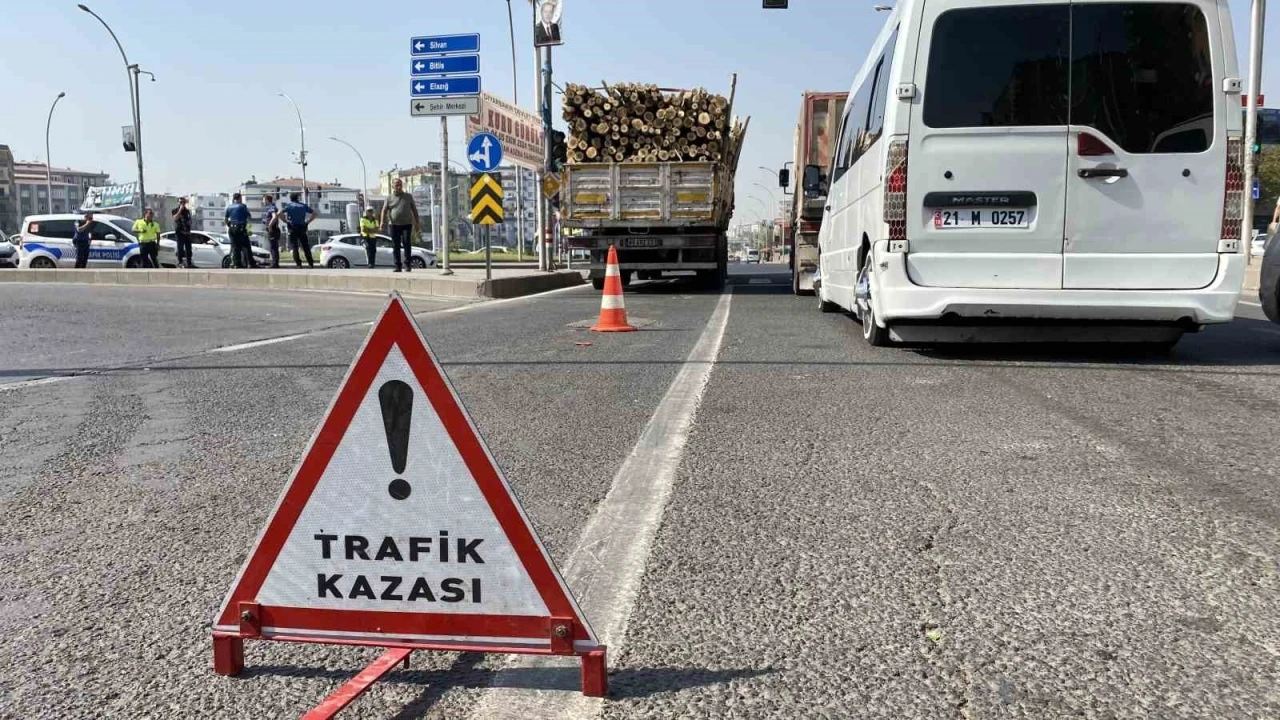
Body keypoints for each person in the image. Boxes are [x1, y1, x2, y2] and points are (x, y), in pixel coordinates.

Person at [380, 178, 420, 273]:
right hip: (394, 225)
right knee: (396, 245)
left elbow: (414, 209)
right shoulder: (389, 198)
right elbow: (384, 210)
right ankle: (398, 266)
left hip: (407, 224)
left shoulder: (408, 196)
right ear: (392, 186)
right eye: (396, 185)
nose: (398, 186)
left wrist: (417, 223)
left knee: (407, 243)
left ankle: (408, 265)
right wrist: (382, 222)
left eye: (400, 184)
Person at [282, 192, 315, 268]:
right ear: (297, 198)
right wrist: (308, 222)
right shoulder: (303, 205)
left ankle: (299, 264)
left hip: (292, 227)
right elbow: (314, 213)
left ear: (291, 198)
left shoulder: (289, 206)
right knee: (305, 246)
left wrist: (285, 221)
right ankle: (310, 263)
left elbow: (279, 213)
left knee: (295, 246)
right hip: (302, 227)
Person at [224, 193, 253, 269]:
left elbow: (225, 219)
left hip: (232, 229)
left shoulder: (228, 207)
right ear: (239, 198)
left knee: (235, 247)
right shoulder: (243, 206)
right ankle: (250, 263)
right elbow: (249, 218)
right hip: (241, 228)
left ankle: (236, 264)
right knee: (246, 246)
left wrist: (230, 225)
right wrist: (249, 229)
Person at [171, 197, 195, 268]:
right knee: (180, 248)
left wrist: (189, 224)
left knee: (189, 249)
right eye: (181, 202)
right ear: (178, 203)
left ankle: (189, 263)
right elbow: (175, 218)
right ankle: (180, 262)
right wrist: (180, 210)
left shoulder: (187, 211)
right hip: (180, 232)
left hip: (187, 232)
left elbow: (190, 220)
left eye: (183, 202)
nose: (182, 204)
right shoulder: (175, 210)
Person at [262, 194, 282, 268]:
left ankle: (275, 264)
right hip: (274, 229)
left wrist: (270, 225)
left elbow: (274, 216)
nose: (263, 201)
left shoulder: (271, 207)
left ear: (267, 200)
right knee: (274, 246)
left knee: (273, 247)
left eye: (263, 200)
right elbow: (280, 214)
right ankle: (275, 263)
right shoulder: (273, 207)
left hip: (272, 229)